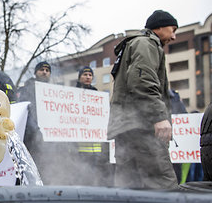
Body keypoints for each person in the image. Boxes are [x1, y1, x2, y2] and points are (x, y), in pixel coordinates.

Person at [108, 10, 179, 189]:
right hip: (142, 126)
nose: (174, 36)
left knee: (129, 187)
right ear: (160, 27)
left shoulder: (137, 44)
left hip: (128, 127)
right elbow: (142, 82)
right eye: (173, 29)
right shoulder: (146, 44)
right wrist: (159, 117)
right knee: (162, 183)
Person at [18, 61, 57, 183]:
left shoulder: (55, 91)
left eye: (47, 70)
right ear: (36, 72)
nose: (44, 72)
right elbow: (24, 109)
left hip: (50, 136)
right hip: (31, 135)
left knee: (47, 166)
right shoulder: (27, 88)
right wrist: (35, 129)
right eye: (42, 70)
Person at [75, 67, 111, 186]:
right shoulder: (72, 93)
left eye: (90, 75)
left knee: (95, 175)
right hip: (77, 146)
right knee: (79, 175)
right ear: (79, 77)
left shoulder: (97, 94)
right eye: (85, 74)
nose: (88, 77)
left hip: (95, 146)